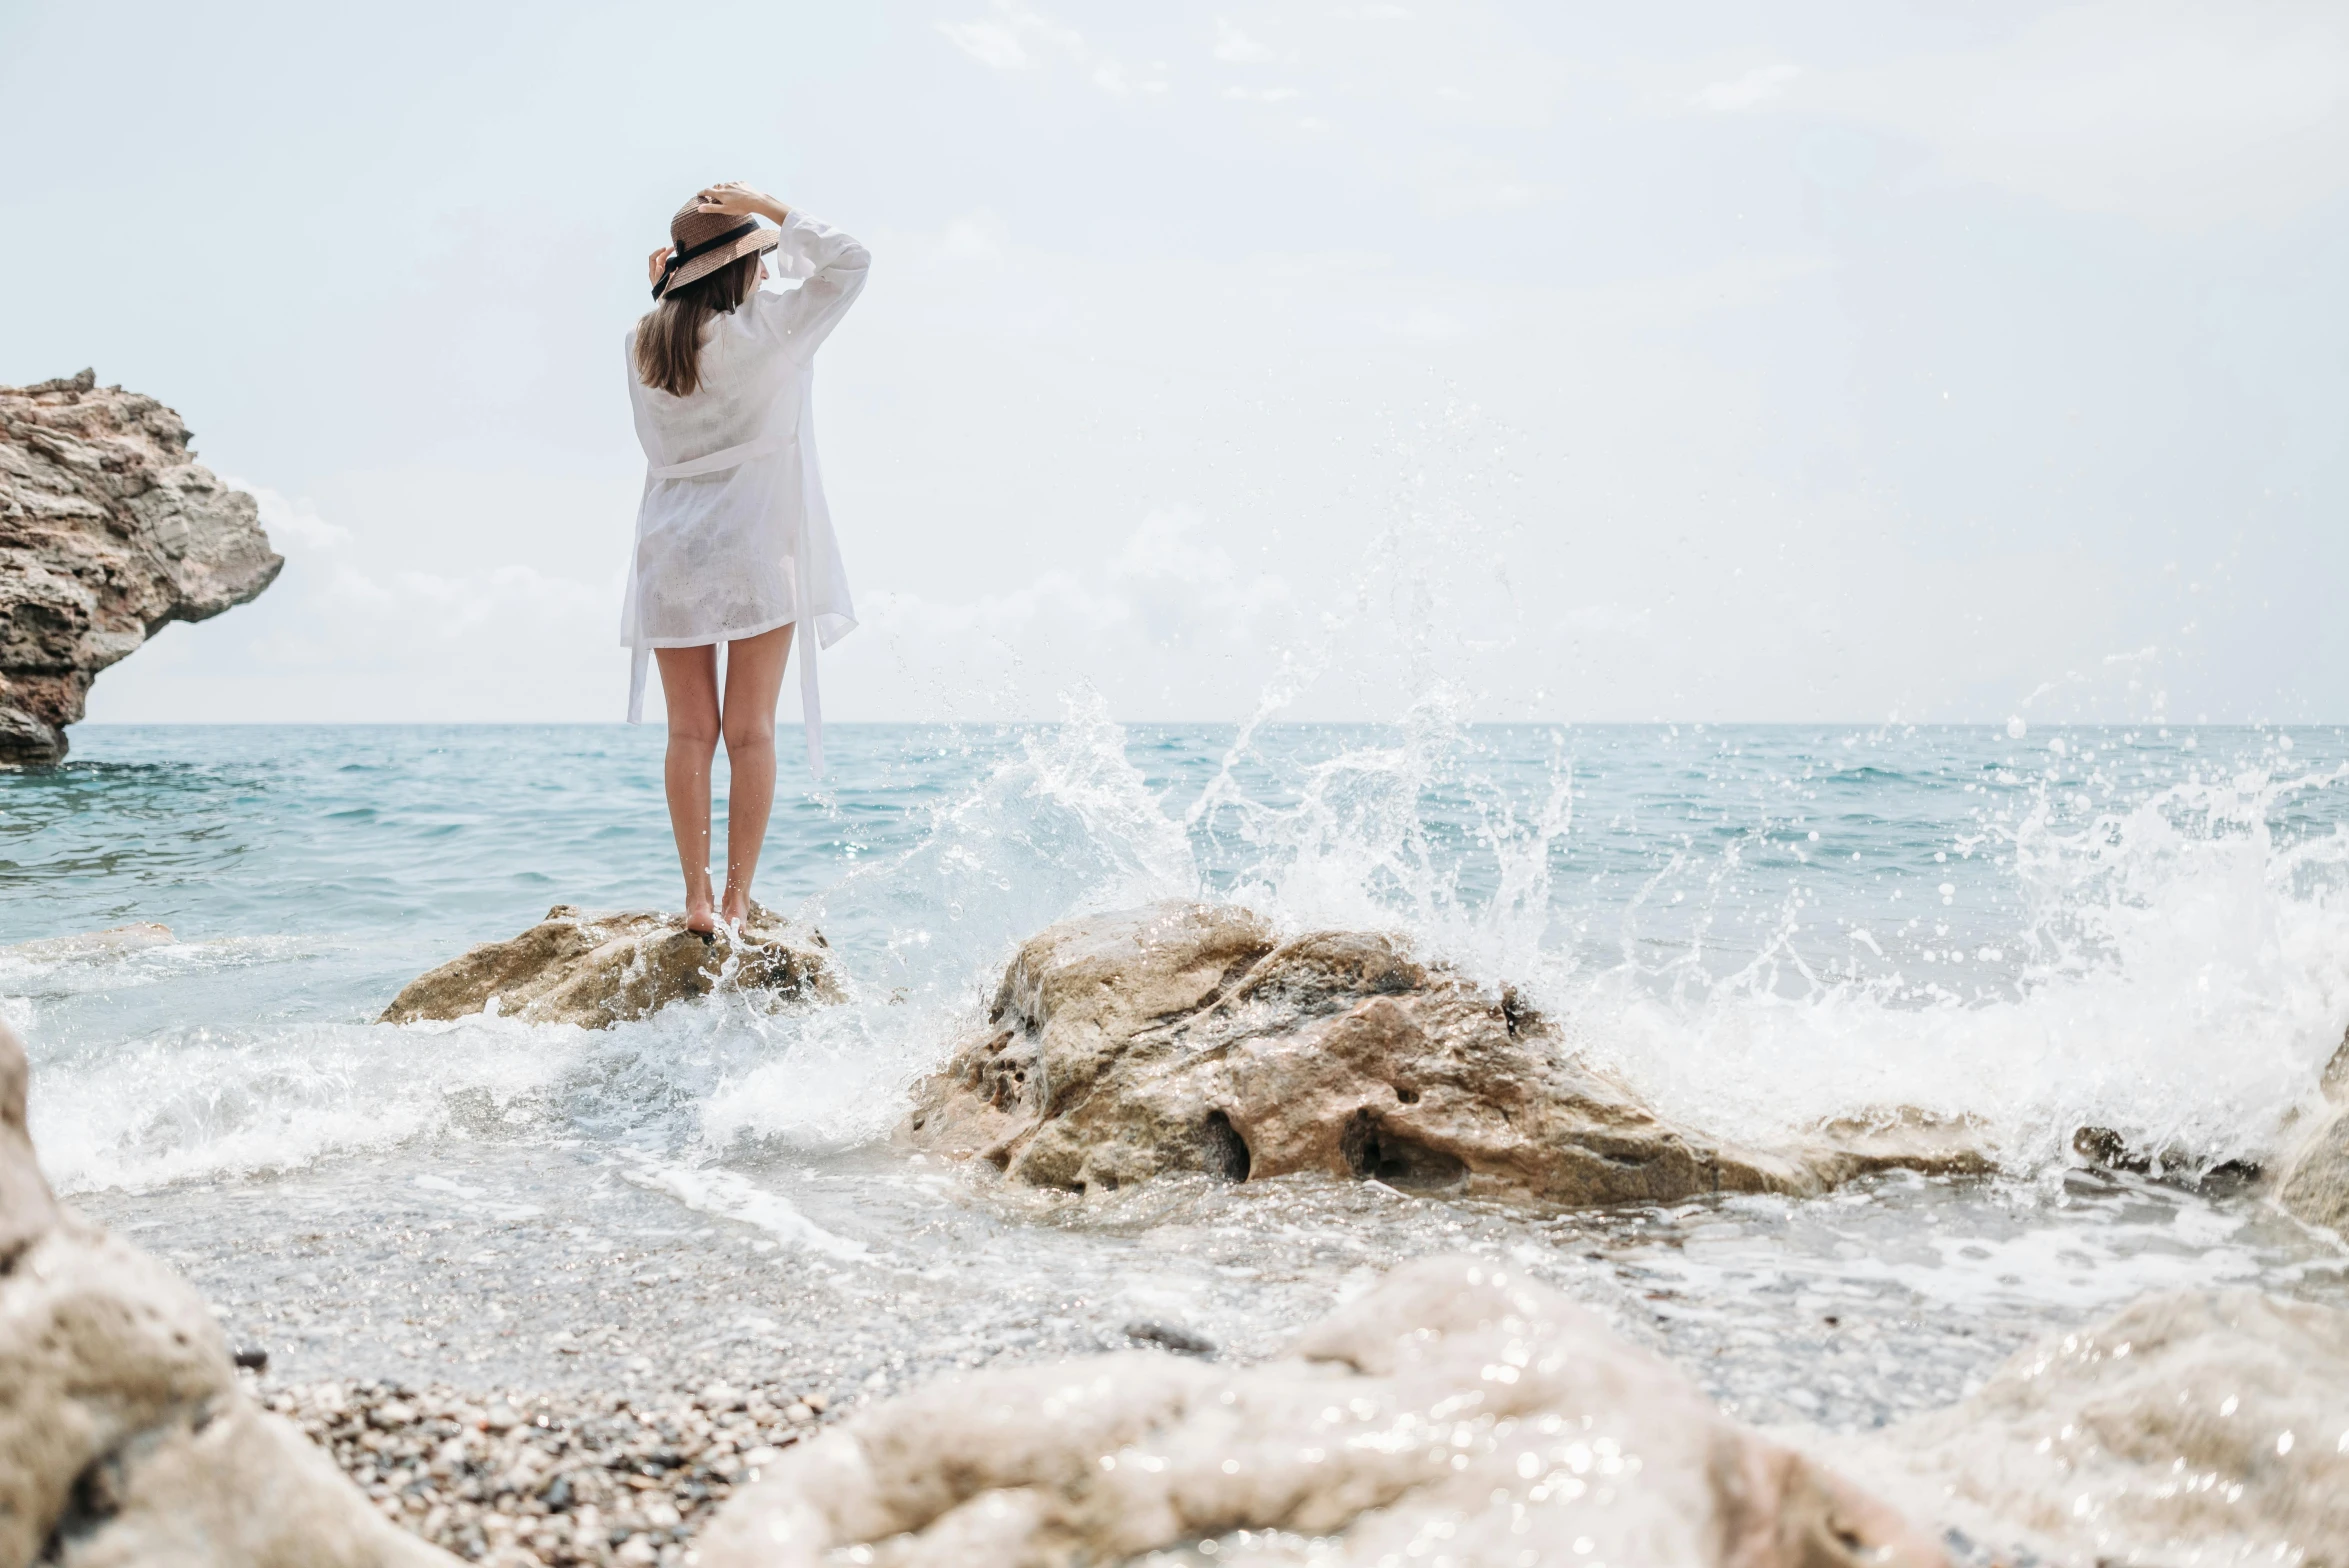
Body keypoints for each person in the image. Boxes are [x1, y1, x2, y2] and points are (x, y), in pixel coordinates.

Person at [621, 182, 868, 934]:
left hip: (672, 553)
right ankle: (735, 900)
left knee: (688, 731)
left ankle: (694, 901)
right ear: (745, 267)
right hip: (758, 547)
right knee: (750, 730)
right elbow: (850, 263)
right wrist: (769, 203)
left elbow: (678, 322)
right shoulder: (775, 328)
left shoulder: (642, 343)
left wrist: (666, 290)